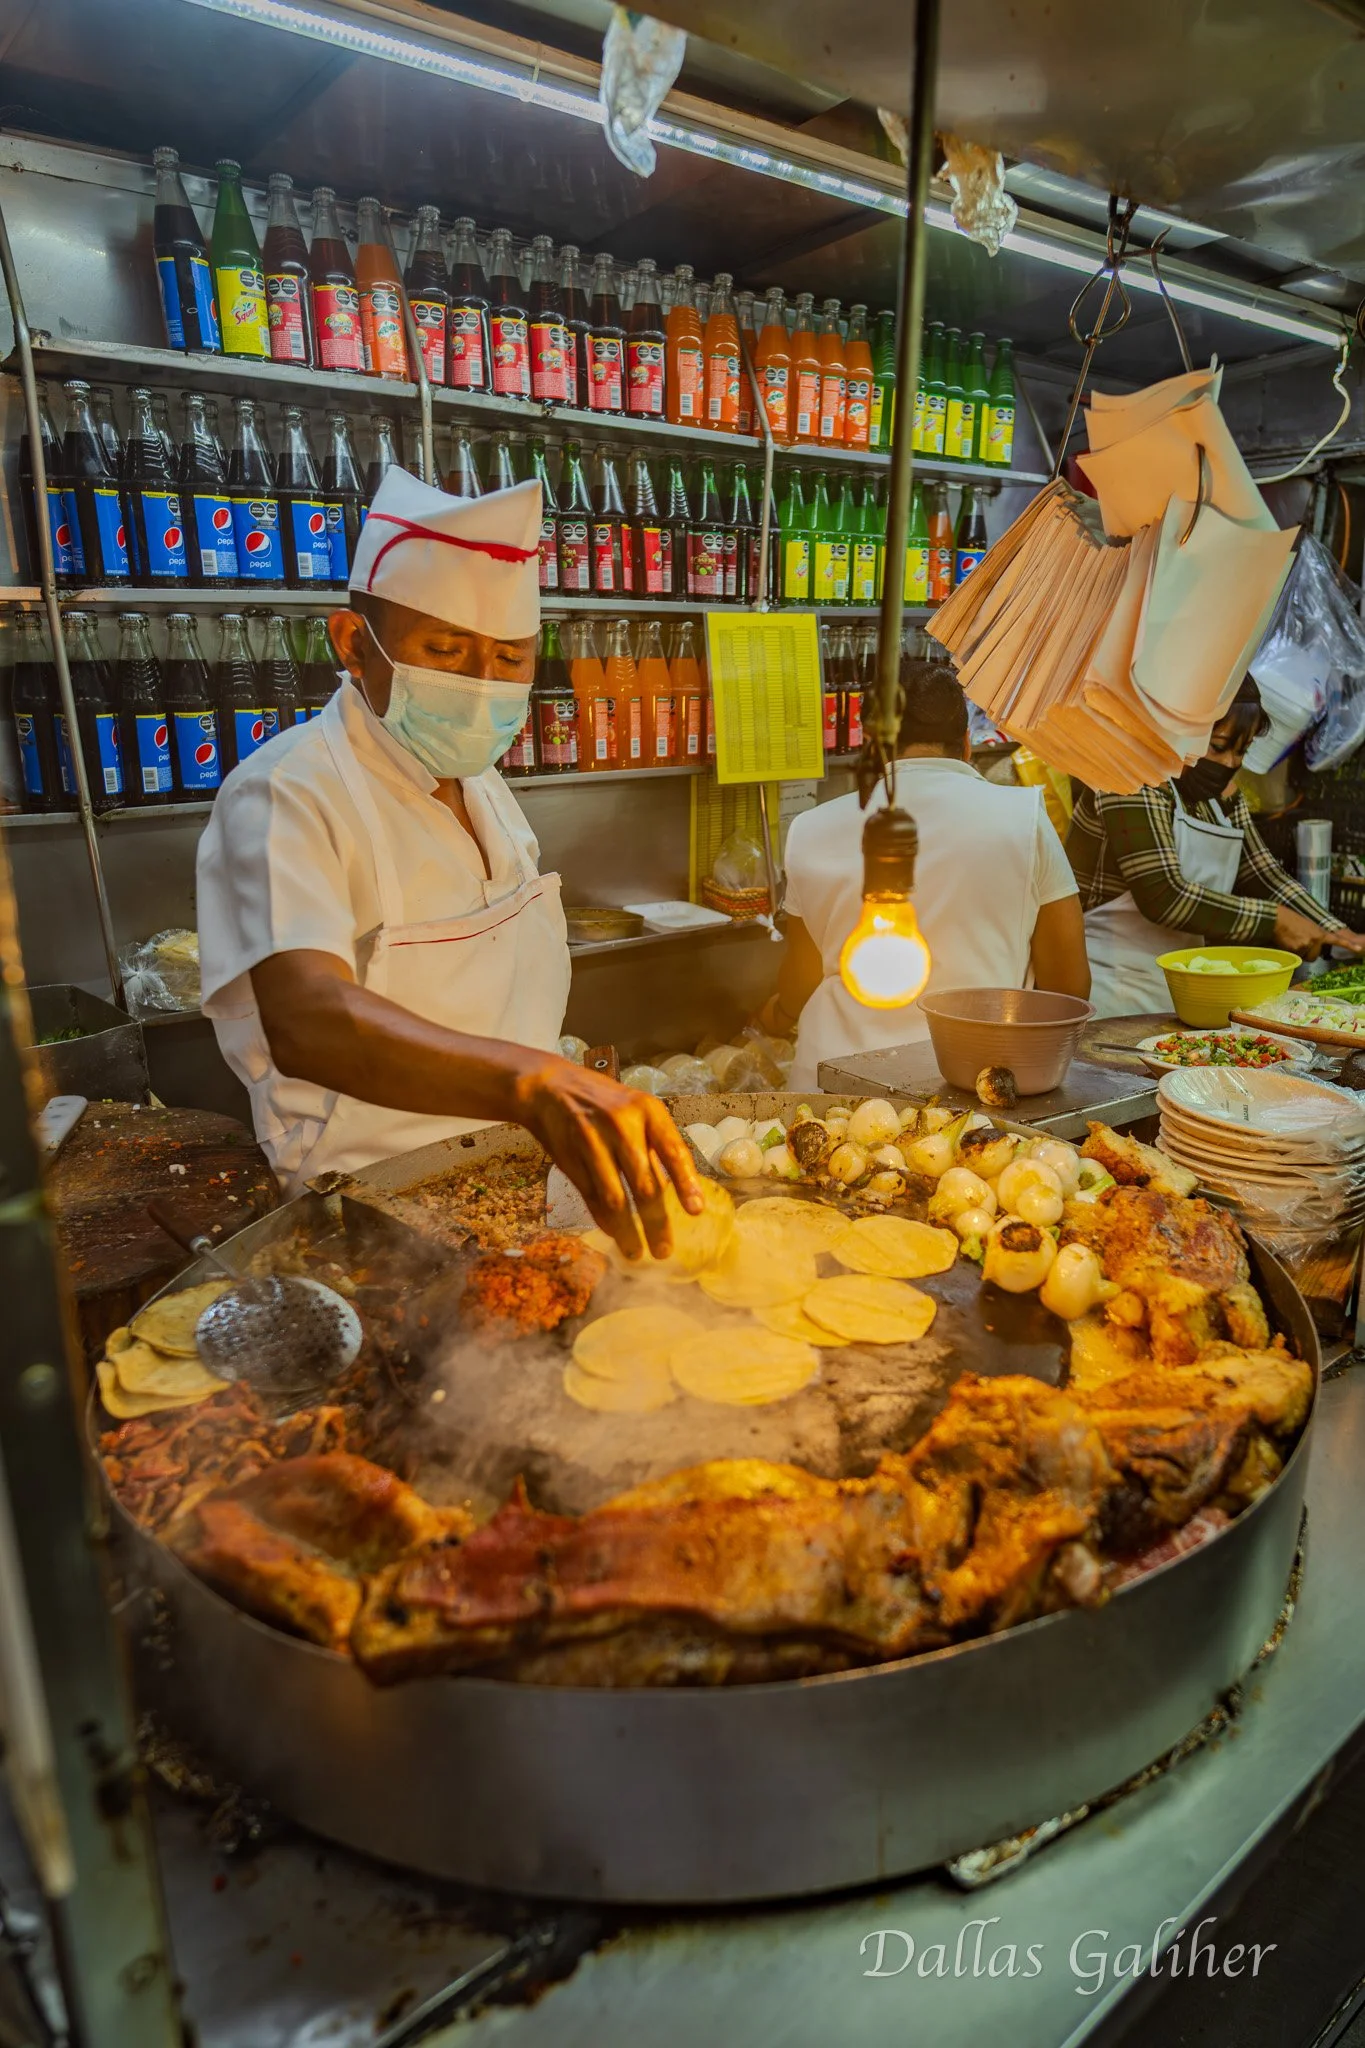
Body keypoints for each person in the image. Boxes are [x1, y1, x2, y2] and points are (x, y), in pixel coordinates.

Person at [196, 468, 699, 1257]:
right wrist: (530, 1087)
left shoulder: (481, 780)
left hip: (512, 1174)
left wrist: (555, 1083)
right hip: (367, 1204)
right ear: (353, 643)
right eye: (445, 650)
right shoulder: (284, 793)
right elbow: (309, 1019)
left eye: (508, 658)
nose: (479, 687)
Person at [775, 657, 1091, 1090]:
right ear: (966, 743)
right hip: (968, 1085)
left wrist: (771, 1017)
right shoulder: (1023, 818)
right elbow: (1068, 989)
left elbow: (799, 980)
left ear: (870, 742)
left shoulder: (809, 828)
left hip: (828, 1086)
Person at [1068, 673, 1365, 1017]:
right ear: (1183, 727)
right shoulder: (1129, 778)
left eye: (1243, 751)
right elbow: (1164, 895)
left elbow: (1264, 874)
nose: (1230, 764)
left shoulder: (1218, 798)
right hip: (1109, 991)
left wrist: (1337, 933)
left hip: (1183, 993)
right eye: (1219, 746)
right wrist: (1275, 921)